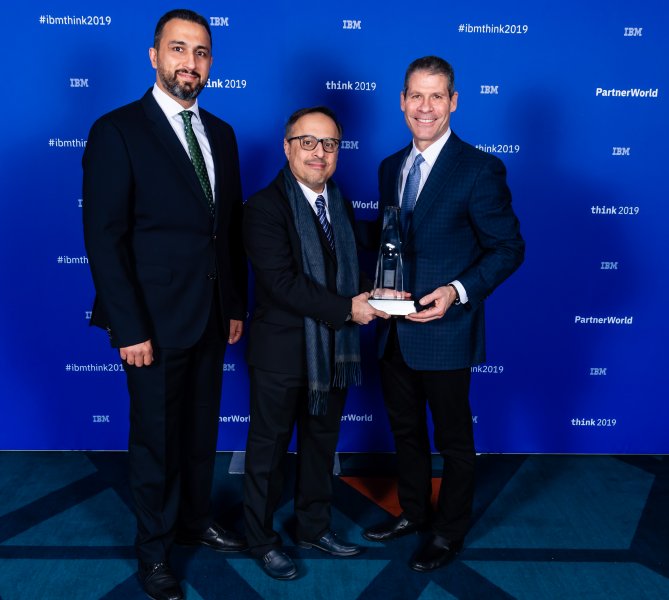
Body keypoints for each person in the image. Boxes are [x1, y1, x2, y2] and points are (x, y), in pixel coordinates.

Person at [82, 9, 248, 600]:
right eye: (179, 50)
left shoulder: (222, 135)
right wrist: (128, 326)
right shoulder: (118, 130)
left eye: (201, 53)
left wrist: (234, 305)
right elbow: (104, 238)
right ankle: (154, 552)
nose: (190, 63)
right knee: (155, 438)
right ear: (154, 56)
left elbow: (223, 232)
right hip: (149, 323)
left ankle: (195, 519)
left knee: (201, 432)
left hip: (209, 316)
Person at [362, 56, 525, 572]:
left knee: (453, 440)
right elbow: (392, 243)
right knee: (405, 431)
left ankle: (449, 531)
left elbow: (508, 248)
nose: (425, 107)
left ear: (453, 101)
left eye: (436, 96)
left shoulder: (479, 169)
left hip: (446, 329)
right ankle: (413, 512)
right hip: (394, 329)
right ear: (403, 101)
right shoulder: (391, 166)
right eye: (416, 96)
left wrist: (457, 291)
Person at [242, 106, 388, 580]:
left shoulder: (339, 204)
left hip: (331, 354)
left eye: (329, 144)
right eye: (308, 142)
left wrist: (378, 291)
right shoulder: (264, 208)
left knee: (321, 445)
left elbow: (338, 272)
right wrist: (350, 309)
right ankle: (261, 539)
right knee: (267, 451)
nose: (319, 153)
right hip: (282, 352)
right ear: (287, 148)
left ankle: (313, 527)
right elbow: (284, 283)